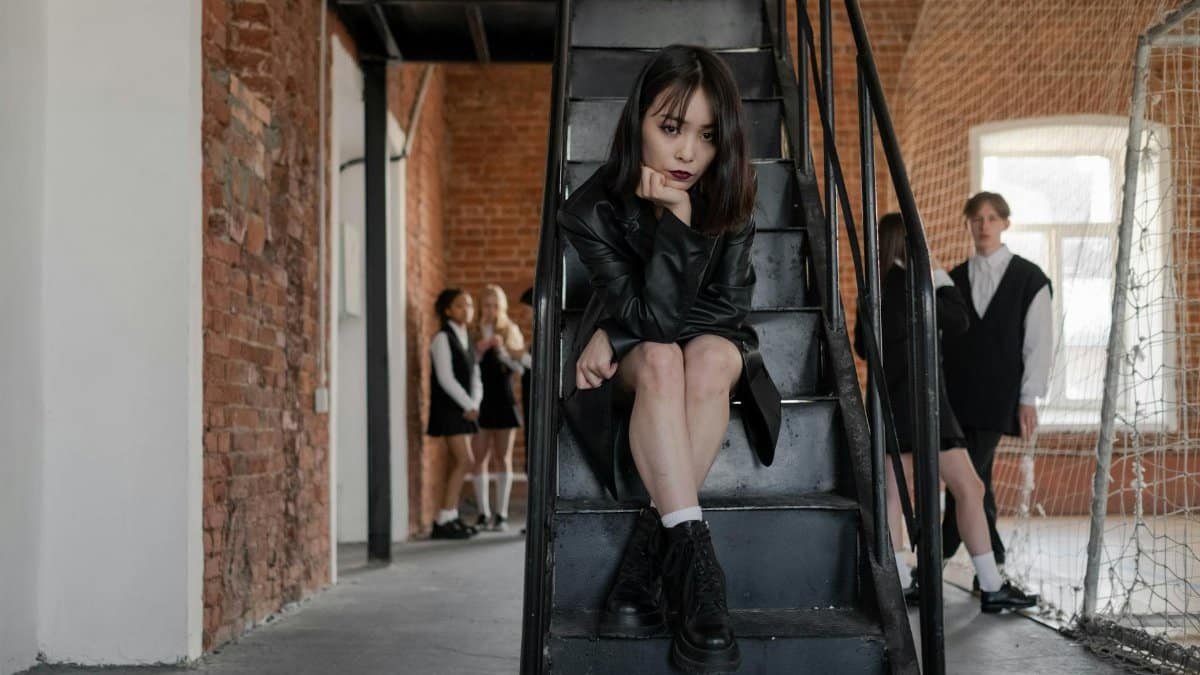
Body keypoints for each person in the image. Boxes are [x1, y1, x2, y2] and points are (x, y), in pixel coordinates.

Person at [558, 44, 781, 673]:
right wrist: (673, 229)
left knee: (709, 359)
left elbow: (727, 312)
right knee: (661, 359)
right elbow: (653, 324)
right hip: (637, 360)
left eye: (707, 136)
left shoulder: (730, 193)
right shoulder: (591, 210)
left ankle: (647, 562)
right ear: (638, 124)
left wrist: (679, 223)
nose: (687, 153)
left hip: (686, 346)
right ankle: (701, 580)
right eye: (671, 127)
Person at [857, 213, 1038, 613]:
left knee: (896, 493)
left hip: (890, 403)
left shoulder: (875, 288)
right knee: (968, 488)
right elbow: (959, 321)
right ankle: (990, 585)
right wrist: (937, 273)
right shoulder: (918, 285)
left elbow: (862, 347)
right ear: (910, 244)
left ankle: (904, 582)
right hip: (923, 402)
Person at [941, 192, 1053, 576]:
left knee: (967, 478)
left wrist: (1029, 397)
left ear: (1005, 223)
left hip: (999, 396)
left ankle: (938, 554)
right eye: (976, 218)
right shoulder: (953, 279)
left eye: (991, 218)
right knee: (976, 478)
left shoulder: (1030, 279)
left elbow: (1038, 342)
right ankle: (993, 562)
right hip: (956, 396)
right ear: (968, 224)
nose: (983, 225)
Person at [426, 288, 482, 540]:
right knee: (464, 460)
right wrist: (467, 405)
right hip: (450, 407)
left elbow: (475, 375)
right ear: (448, 310)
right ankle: (444, 518)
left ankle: (450, 516)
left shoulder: (467, 337)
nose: (466, 309)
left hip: (466, 408)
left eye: (469, 305)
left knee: (459, 462)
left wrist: (475, 403)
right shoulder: (442, 338)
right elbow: (445, 378)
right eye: (460, 305)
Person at [470, 284, 526, 533]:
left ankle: (501, 514)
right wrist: (479, 351)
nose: (491, 309)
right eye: (487, 304)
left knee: (502, 457)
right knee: (478, 457)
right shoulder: (472, 331)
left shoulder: (510, 330)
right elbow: (466, 366)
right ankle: (482, 513)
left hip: (503, 398)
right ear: (481, 305)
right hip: (480, 399)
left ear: (501, 307)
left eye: (495, 305)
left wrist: (502, 351)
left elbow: (522, 369)